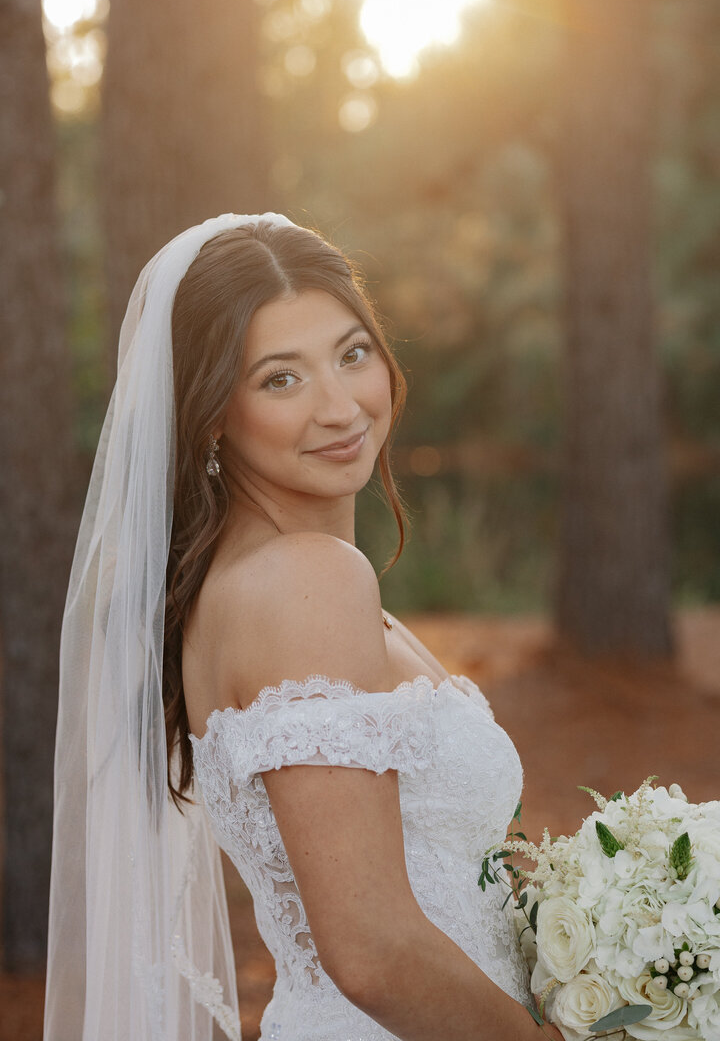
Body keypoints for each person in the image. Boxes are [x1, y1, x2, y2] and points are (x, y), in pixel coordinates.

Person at [43, 212, 564, 1041]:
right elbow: (371, 952)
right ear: (212, 412)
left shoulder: (263, 581)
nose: (340, 406)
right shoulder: (306, 581)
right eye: (280, 379)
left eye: (352, 354)